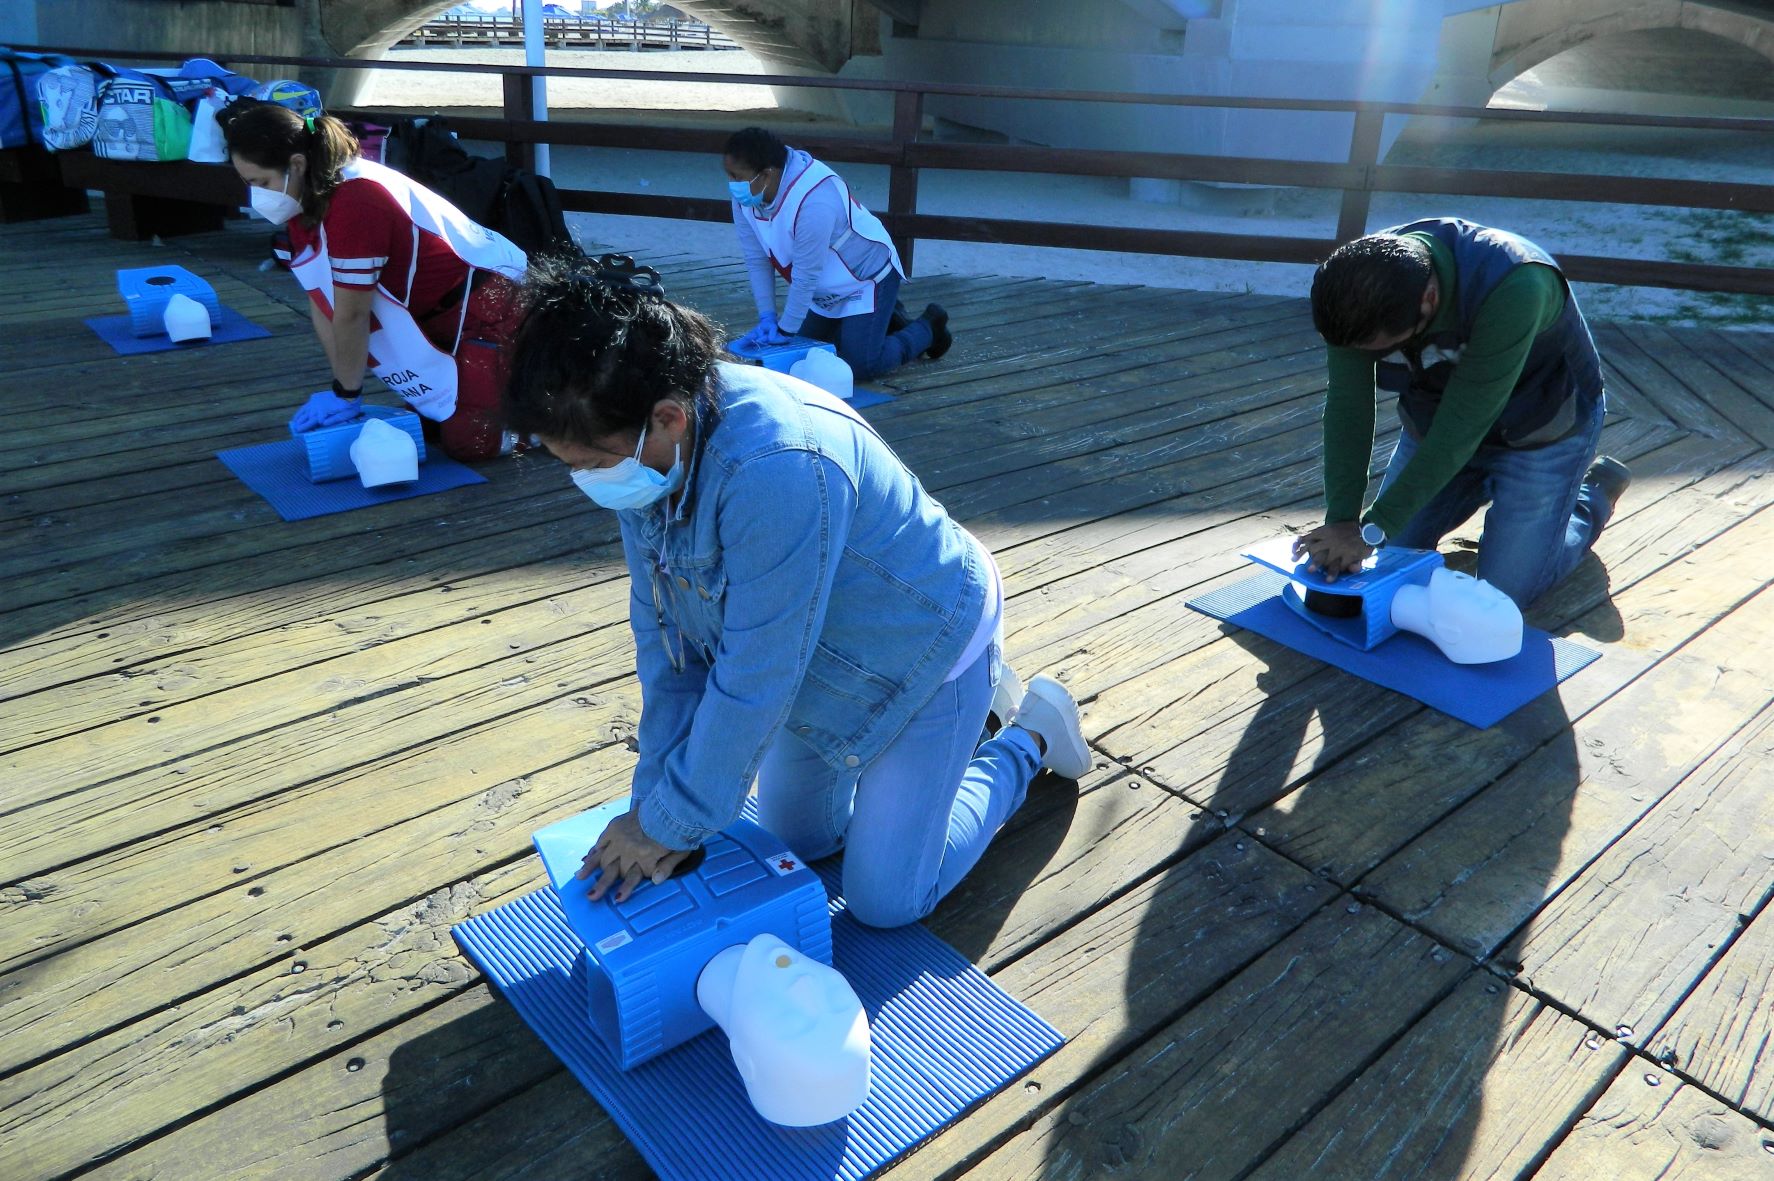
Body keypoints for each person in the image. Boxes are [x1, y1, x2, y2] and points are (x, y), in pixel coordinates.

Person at [502, 254, 1088, 927]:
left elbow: (755, 676)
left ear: (667, 417)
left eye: (593, 464)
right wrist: (652, 807)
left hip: (927, 643)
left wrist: (672, 821)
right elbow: (668, 647)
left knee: (885, 901)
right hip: (824, 658)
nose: (588, 481)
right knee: (802, 841)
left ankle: (1026, 735)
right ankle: (967, 727)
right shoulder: (649, 451)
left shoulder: (776, 468)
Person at [1295, 217, 1633, 608]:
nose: (1365, 356)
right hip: (1437, 425)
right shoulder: (1352, 292)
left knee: (1504, 594)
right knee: (1387, 559)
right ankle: (1486, 501)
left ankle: (1591, 495)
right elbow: (1347, 408)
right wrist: (1342, 519)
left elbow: (1462, 428)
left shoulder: (1517, 284)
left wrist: (1371, 528)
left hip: (1543, 429)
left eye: (1376, 348)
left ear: (1430, 299)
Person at [220, 99, 529, 460]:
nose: (257, 195)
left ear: (297, 164)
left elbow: (352, 313)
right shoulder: (305, 197)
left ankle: (546, 407)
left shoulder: (355, 200)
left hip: (489, 309)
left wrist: (347, 394)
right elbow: (322, 302)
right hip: (434, 317)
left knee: (471, 446)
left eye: (261, 182)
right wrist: (342, 387)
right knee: (428, 429)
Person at [722, 126, 951, 380]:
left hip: (866, 279)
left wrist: (785, 332)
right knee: (810, 358)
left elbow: (806, 276)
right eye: (729, 176)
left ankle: (929, 327)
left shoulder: (814, 202)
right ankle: (888, 317)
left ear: (767, 174)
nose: (733, 185)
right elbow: (757, 259)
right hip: (823, 292)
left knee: (860, 367)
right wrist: (767, 316)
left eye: (737, 177)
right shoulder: (747, 196)